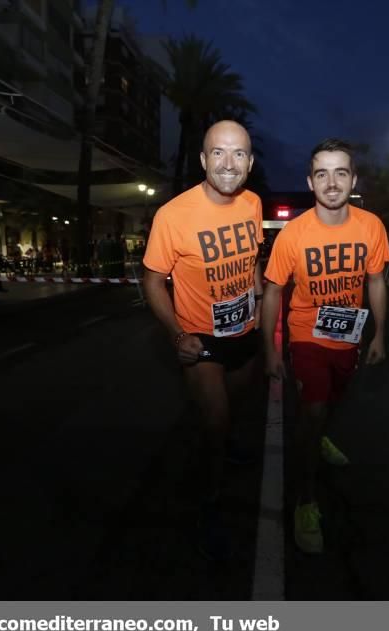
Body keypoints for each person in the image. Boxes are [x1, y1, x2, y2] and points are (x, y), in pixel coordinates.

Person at [261, 138, 389, 555]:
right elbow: (272, 292)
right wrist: (271, 349)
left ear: (353, 179)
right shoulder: (293, 235)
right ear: (310, 181)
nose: (331, 182)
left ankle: (317, 437)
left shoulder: (371, 227)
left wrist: (380, 334)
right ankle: (306, 500)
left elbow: (375, 281)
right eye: (322, 173)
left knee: (331, 403)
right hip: (306, 336)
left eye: (340, 172)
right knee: (313, 409)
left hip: (348, 337)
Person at [142, 120, 264, 561]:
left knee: (233, 411)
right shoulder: (172, 216)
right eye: (218, 153)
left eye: (238, 154)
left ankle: (224, 447)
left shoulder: (252, 204)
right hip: (201, 339)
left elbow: (252, 257)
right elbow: (153, 281)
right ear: (202, 160)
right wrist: (177, 333)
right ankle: (211, 499)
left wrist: (257, 291)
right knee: (215, 420)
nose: (228, 164)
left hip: (245, 334)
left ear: (249, 162)